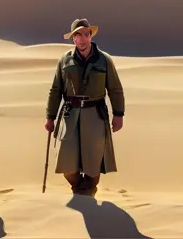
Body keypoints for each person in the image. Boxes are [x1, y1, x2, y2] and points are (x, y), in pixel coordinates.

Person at [44, 18, 125, 197]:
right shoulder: (64, 60)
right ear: (73, 39)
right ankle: (78, 187)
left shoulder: (104, 60)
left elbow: (115, 89)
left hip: (95, 113)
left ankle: (88, 192)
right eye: (77, 35)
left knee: (93, 158)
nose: (81, 39)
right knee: (66, 158)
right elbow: (55, 90)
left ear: (90, 36)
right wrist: (50, 117)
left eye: (85, 34)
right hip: (70, 114)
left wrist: (118, 114)